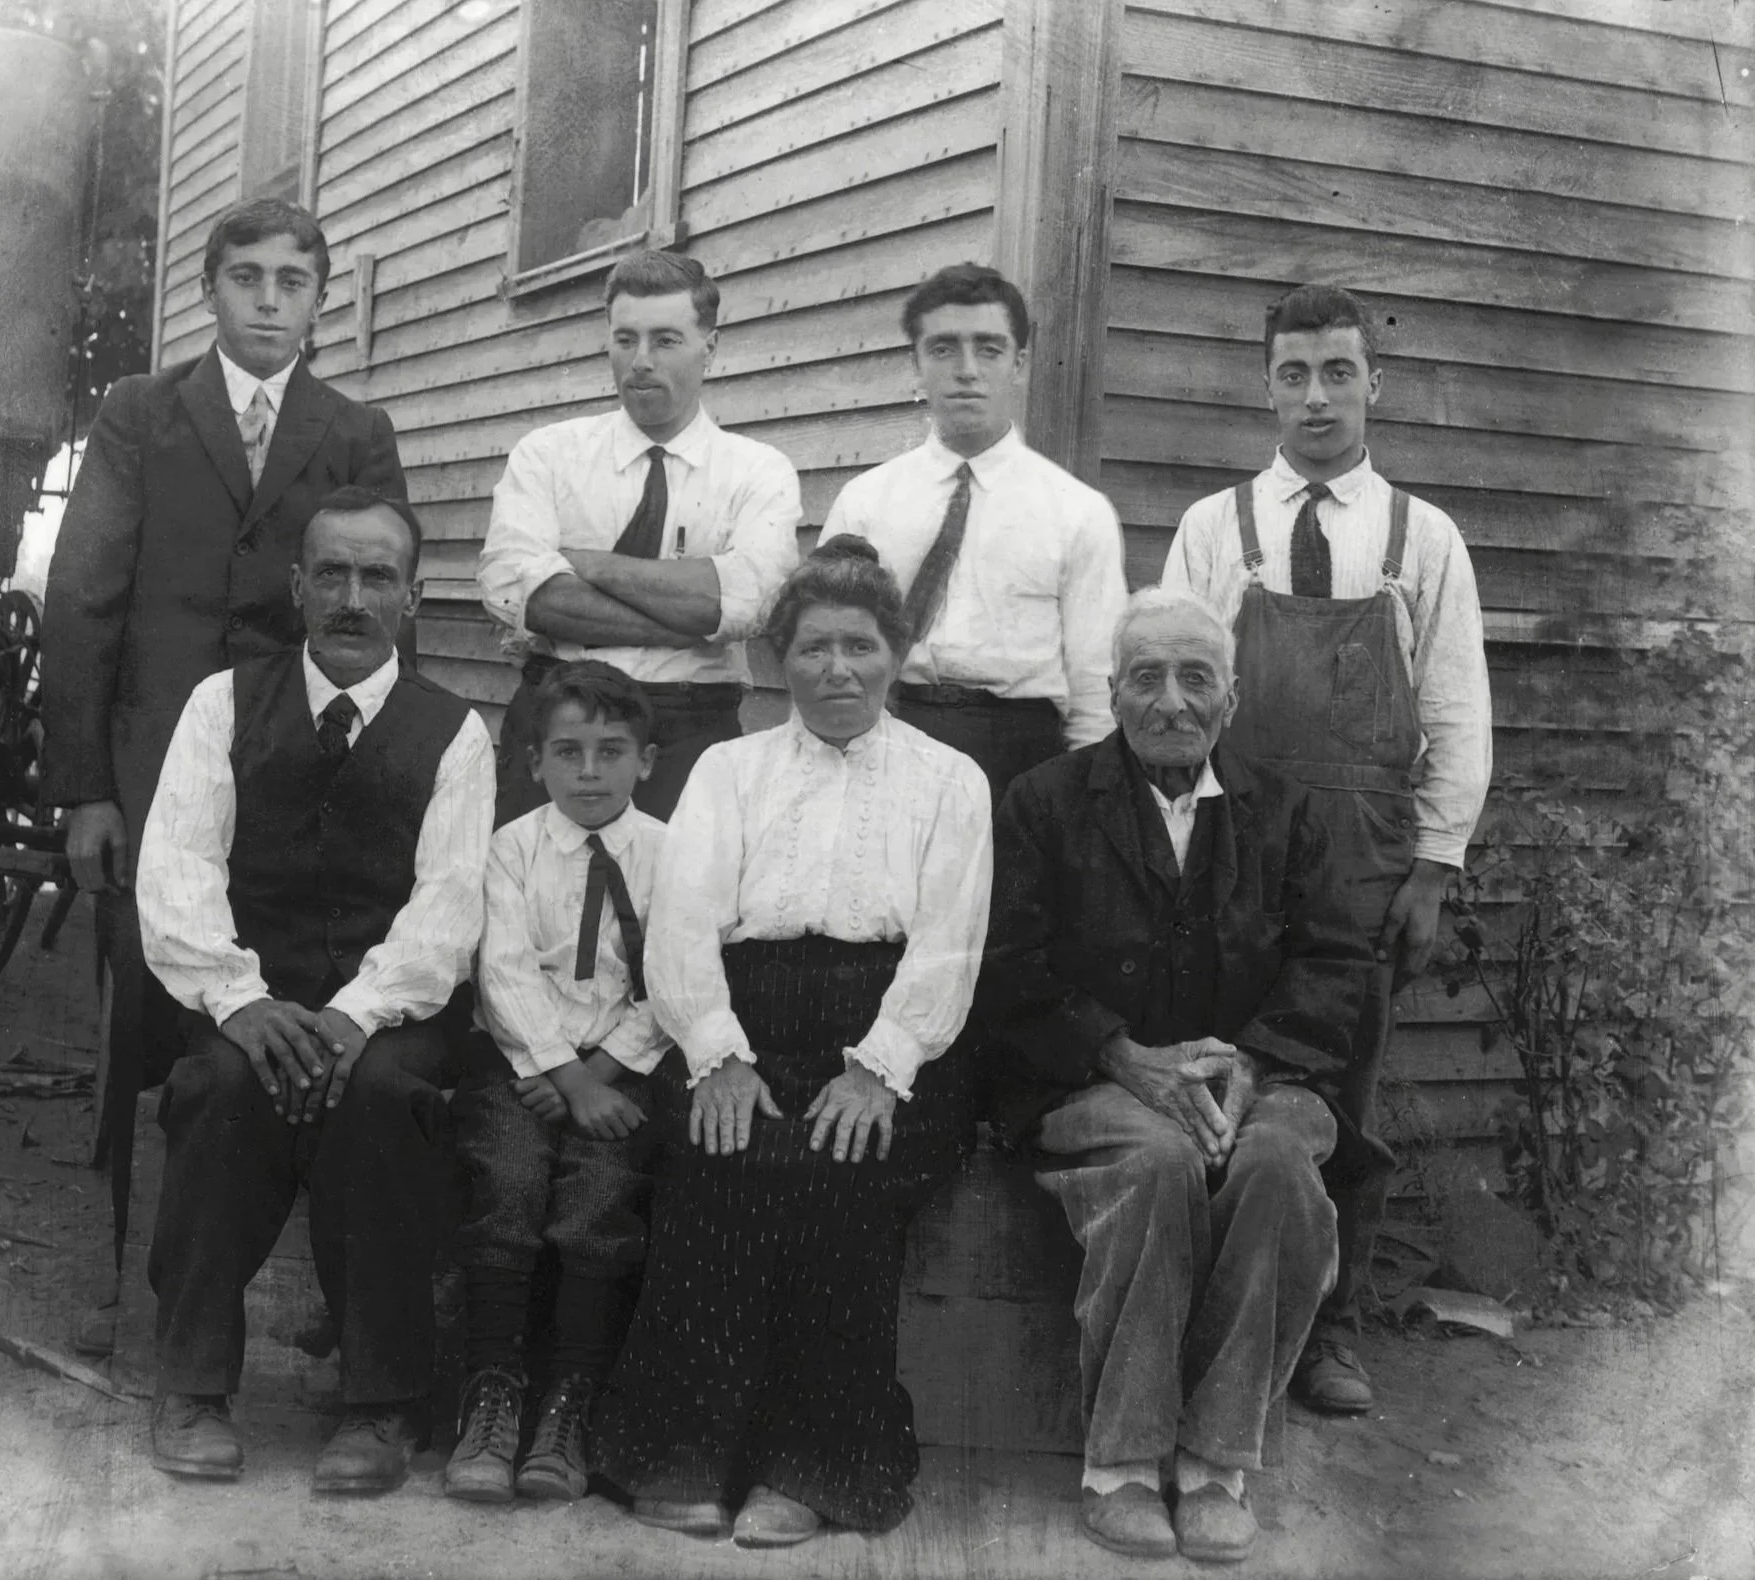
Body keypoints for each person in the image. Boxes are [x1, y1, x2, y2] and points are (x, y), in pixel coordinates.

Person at [42, 196, 407, 1343]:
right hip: (157, 768)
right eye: (246, 277)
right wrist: (88, 786)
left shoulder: (352, 429)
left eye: (291, 282)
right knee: (145, 1021)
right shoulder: (141, 414)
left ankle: (317, 1289)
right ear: (209, 289)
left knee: (283, 1011)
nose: (268, 301)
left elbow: (381, 599)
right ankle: (131, 1285)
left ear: (319, 299)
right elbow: (85, 598)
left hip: (299, 770)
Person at [590, 537, 993, 1546]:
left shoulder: (952, 780)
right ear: (780, 660)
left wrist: (880, 1067)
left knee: (837, 1166)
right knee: (720, 1158)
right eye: (813, 647)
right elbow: (682, 925)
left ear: (896, 653)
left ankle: (817, 1462)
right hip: (743, 1021)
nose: (837, 668)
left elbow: (949, 945)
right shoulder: (729, 770)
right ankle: (683, 1448)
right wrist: (718, 1053)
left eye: (860, 645)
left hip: (893, 1039)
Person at [978, 587, 1383, 1564]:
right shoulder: (1043, 803)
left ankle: (1213, 1463)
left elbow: (1335, 962)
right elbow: (1009, 965)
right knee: (1158, 1159)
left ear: (1231, 699)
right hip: (1092, 1080)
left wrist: (1249, 1065)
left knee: (1282, 1164)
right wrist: (1126, 1056)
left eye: (1195, 677)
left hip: (1262, 1073)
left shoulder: (1289, 813)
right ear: (1112, 693)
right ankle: (1121, 1461)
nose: (1171, 699)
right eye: (1147, 677)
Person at [1160, 283, 1491, 1415]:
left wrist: (1434, 869)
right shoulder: (1216, 530)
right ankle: (1204, 1313)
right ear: (1266, 386)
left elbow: (1456, 711)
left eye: (1337, 372)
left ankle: (1325, 1332)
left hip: (1365, 848)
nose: (1315, 396)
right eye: (1294, 374)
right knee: (1213, 1061)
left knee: (1342, 1089)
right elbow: (1169, 689)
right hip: (1233, 835)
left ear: (1372, 386)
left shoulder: (1421, 536)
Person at [135, 489, 493, 1493]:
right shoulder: (223, 703)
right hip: (246, 997)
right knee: (216, 1091)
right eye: (330, 572)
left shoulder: (455, 732)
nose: (350, 596)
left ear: (413, 595)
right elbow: (176, 868)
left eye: (377, 575)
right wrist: (241, 1002)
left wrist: (354, 1014)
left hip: (385, 1012)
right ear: (295, 585)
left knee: (383, 1096)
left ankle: (379, 1404)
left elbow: (448, 905)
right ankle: (193, 1382)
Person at [443, 661, 669, 1506]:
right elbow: (501, 971)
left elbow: (672, 977)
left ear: (646, 761)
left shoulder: (670, 854)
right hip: (520, 1066)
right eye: (567, 752)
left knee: (602, 1192)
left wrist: (600, 1074)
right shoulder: (512, 848)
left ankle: (567, 1408)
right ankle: (492, 1396)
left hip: (622, 1070)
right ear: (534, 761)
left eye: (611, 752)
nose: (588, 772)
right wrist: (563, 1074)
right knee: (506, 1178)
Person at [477, 250, 802, 822]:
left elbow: (749, 603)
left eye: (666, 341)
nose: (641, 361)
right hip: (559, 715)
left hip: (689, 728)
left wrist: (588, 565)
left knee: (680, 898)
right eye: (625, 339)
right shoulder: (549, 454)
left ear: (711, 347)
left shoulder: (758, 470)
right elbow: (516, 589)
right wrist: (693, 621)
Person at [819, 262, 1126, 803]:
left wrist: (1083, 801)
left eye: (988, 348)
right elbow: (821, 645)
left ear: (1020, 363)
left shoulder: (1076, 511)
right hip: (891, 735)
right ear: (914, 363)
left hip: (1022, 759)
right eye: (943, 349)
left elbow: (1094, 684)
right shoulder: (866, 501)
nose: (967, 370)